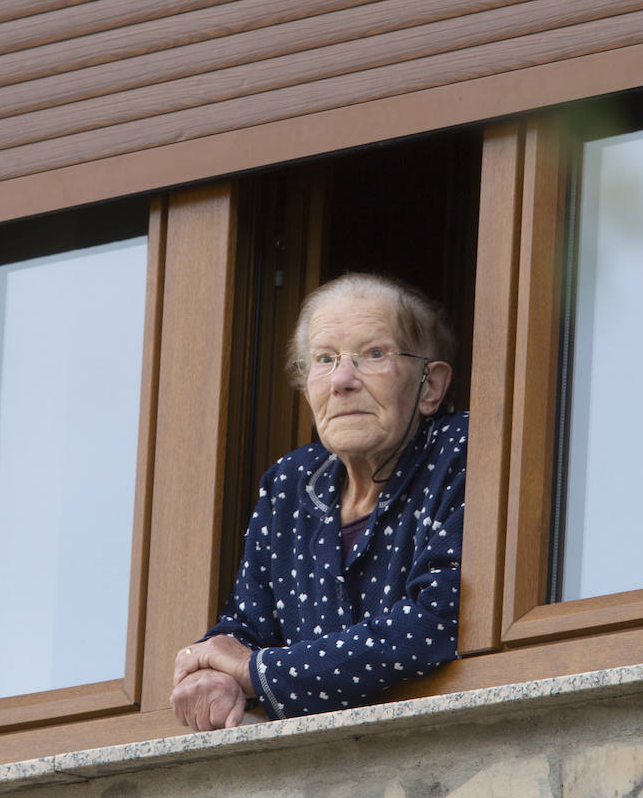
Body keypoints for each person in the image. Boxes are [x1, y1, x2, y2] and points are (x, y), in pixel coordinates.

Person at [171, 272, 466, 730]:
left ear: (430, 386)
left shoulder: (462, 451)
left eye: (374, 354)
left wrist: (260, 672)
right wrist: (213, 674)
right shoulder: (291, 484)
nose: (342, 380)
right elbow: (246, 626)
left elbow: (439, 622)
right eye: (325, 359)